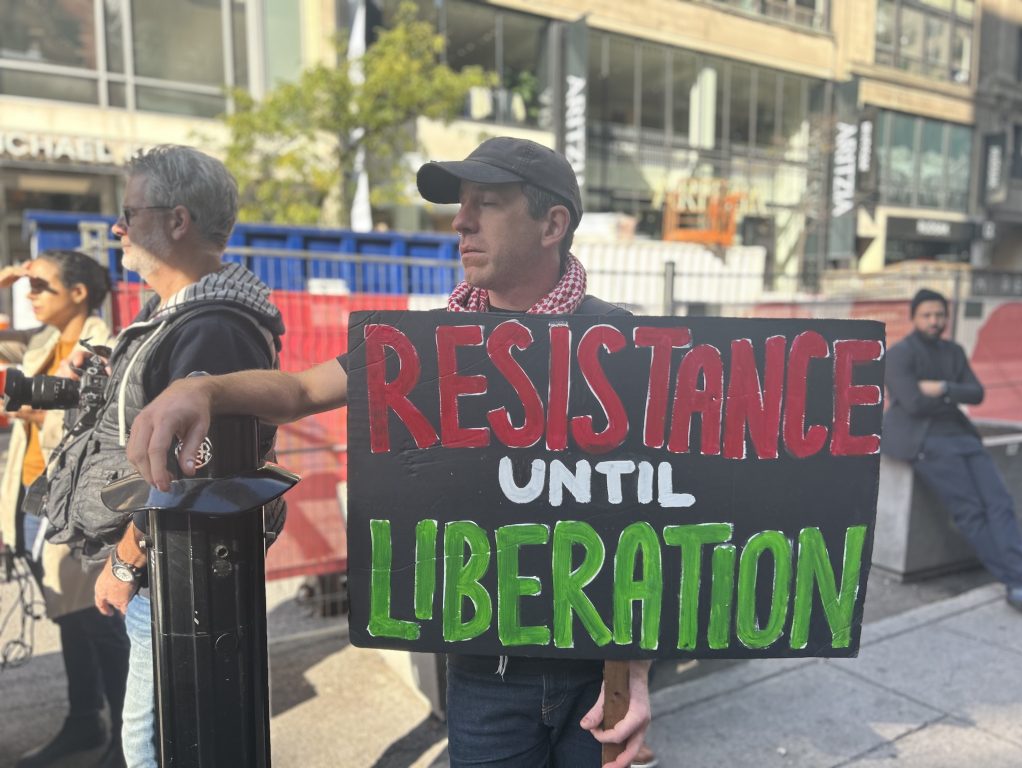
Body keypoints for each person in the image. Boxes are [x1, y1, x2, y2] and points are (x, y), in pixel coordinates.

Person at [123, 137, 652, 767]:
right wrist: (204, 386)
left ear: (552, 223)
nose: (460, 221)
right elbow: (299, 390)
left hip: (599, 675)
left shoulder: (623, 343)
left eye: (486, 203)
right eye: (461, 204)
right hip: (483, 670)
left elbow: (649, 518)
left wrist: (635, 677)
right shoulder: (428, 346)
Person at [40, 146, 286, 768]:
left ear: (177, 221)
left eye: (129, 212)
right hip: (171, 574)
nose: (117, 228)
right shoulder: (174, 318)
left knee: (155, 747)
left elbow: (192, 475)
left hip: (177, 580)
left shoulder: (212, 328)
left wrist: (125, 566)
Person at [0, 252, 128, 768]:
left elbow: (106, 431)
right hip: (33, 498)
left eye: (39, 285)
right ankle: (83, 722)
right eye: (25, 284)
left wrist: (30, 410)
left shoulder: (107, 345)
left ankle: (125, 736)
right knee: (68, 618)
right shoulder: (39, 343)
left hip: (79, 504)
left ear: (78, 293)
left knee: (98, 621)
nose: (29, 293)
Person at [881, 288, 1022, 612]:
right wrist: (949, 396)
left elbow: (976, 394)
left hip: (963, 437)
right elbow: (914, 405)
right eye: (927, 315)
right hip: (926, 441)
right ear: (914, 317)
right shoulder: (900, 354)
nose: (934, 321)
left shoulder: (954, 352)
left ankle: (1019, 573)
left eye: (939, 315)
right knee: (970, 511)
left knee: (1000, 502)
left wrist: (943, 388)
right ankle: (1015, 579)